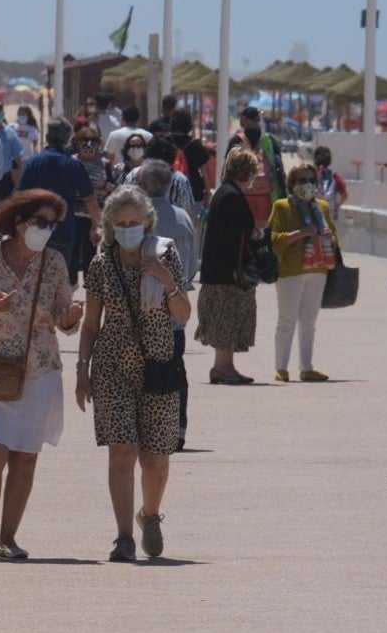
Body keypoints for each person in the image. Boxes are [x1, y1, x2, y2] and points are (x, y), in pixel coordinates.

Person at [0, 189, 82, 559]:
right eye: (40, 221)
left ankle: (8, 538)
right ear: (18, 221)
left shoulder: (55, 263)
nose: (46, 229)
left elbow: (63, 317)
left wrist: (70, 319)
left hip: (39, 373)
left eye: (53, 224)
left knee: (25, 459)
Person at [77, 187, 190, 561]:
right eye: (121, 223)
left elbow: (183, 315)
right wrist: (82, 368)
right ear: (109, 225)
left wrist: (166, 279)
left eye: (134, 223)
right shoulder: (101, 264)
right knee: (121, 450)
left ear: (147, 223)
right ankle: (123, 536)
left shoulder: (165, 255)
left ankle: (151, 515)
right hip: (112, 364)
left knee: (155, 456)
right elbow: (91, 324)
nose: (127, 228)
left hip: (158, 362)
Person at [137, 162, 198, 451]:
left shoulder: (137, 219)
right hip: (177, 308)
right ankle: (178, 428)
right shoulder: (184, 218)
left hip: (143, 311)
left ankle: (147, 427)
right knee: (175, 367)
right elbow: (193, 263)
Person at [196, 147, 261, 387]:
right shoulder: (231, 196)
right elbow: (236, 232)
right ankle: (222, 368)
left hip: (221, 270)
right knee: (226, 319)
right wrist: (255, 233)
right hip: (226, 273)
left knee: (230, 319)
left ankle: (227, 366)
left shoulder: (225, 192)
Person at [269, 164, 338, 383]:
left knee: (309, 321)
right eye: (301, 180)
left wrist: (329, 237)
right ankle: (281, 367)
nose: (307, 185)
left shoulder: (323, 207)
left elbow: (334, 239)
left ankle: (306, 367)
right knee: (287, 320)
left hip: (317, 269)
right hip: (291, 270)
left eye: (310, 180)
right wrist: (300, 234)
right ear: (292, 184)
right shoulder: (282, 206)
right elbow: (273, 238)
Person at [17, 119, 101, 285]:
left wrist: (18, 226)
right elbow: (90, 199)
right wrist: (96, 225)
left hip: (34, 230)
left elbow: (20, 196)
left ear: (47, 136)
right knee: (57, 280)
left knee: (34, 279)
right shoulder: (72, 164)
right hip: (63, 231)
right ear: (67, 139)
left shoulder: (34, 162)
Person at [229, 106, 286, 222]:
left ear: (244, 120)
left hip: (257, 196)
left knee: (255, 232)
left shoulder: (267, 141)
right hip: (252, 196)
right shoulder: (268, 140)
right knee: (258, 231)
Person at [72, 126, 112, 281]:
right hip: (74, 212)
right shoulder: (72, 161)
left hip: (95, 214)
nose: (89, 145)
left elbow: (111, 186)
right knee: (73, 248)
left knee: (91, 249)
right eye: (85, 141)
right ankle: (71, 283)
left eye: (92, 141)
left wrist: (107, 188)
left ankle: (91, 283)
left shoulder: (104, 163)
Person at [124, 138, 196, 218]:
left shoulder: (134, 174)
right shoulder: (179, 179)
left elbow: (124, 199)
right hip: (169, 223)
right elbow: (188, 209)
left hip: (139, 223)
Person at [166, 109, 211, 206]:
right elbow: (205, 172)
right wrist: (207, 192)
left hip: (168, 190)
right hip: (193, 192)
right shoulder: (196, 145)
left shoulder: (165, 142)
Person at [0, 100, 24, 208]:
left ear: (3, 113)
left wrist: (17, 184)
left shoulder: (10, 133)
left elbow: (18, 159)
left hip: (4, 180)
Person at [313, 146, 347, 221]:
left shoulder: (310, 175)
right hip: (329, 216)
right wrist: (337, 206)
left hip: (314, 216)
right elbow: (344, 195)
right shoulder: (335, 176)